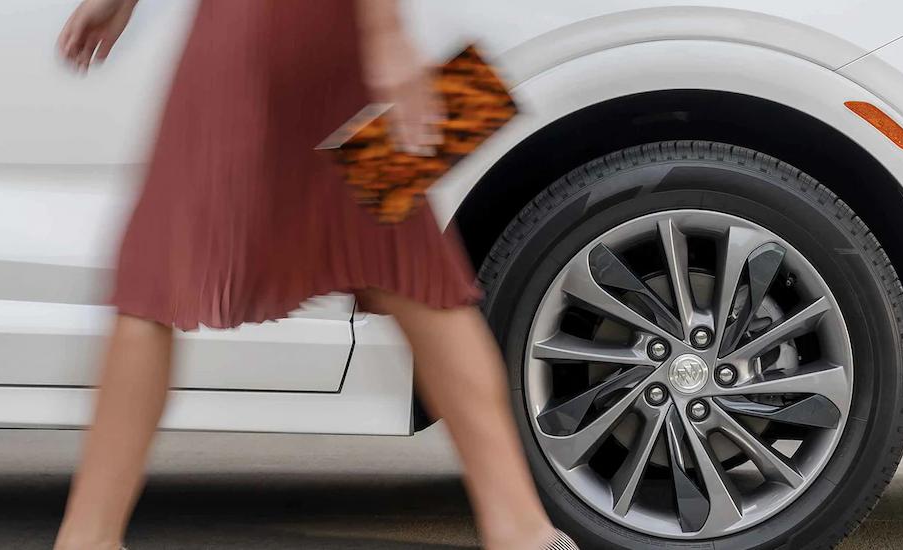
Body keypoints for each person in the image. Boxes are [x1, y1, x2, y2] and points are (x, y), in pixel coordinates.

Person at [51, 1, 574, 549]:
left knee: (153, 272)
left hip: (262, 26)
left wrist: (386, 31)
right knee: (406, 264)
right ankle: (522, 531)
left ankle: (88, 537)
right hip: (329, 30)